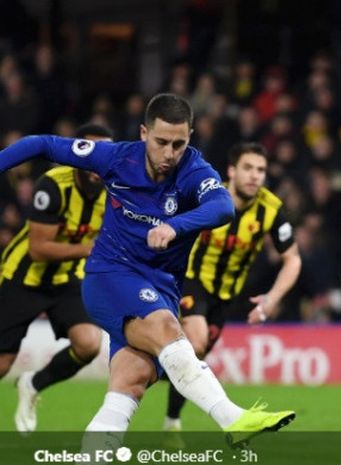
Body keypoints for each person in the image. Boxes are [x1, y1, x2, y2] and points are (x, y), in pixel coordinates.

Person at [0, 94, 295, 445]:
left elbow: (222, 207)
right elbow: (42, 144)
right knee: (170, 331)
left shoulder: (195, 170)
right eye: (161, 142)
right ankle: (233, 418)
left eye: (179, 144)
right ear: (143, 133)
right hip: (111, 275)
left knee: (131, 382)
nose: (170, 153)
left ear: (190, 137)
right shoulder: (115, 157)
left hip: (163, 287)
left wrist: (176, 225)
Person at [163, 142, 301, 432]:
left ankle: (171, 421)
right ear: (231, 171)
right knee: (196, 342)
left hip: (226, 295)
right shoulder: (208, 195)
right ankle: (229, 420)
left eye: (260, 170)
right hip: (192, 279)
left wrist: (272, 299)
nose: (255, 176)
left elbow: (293, 260)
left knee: (192, 357)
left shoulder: (271, 209)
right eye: (248, 168)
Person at [0, 123, 112, 433]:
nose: (97, 165)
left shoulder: (115, 193)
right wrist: (89, 248)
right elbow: (38, 249)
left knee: (89, 343)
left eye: (104, 156)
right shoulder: (52, 185)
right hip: (22, 277)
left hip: (66, 279)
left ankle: (33, 383)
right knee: (2, 363)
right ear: (77, 155)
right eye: (90, 155)